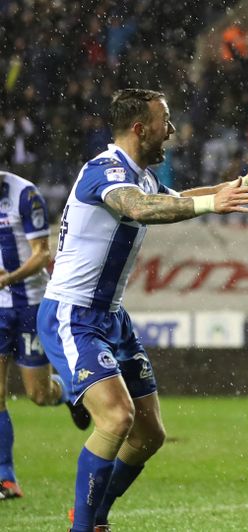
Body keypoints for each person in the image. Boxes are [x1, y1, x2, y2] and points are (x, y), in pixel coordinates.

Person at [36, 88, 248, 532]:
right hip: (72, 316)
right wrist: (213, 202)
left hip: (111, 317)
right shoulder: (104, 171)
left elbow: (177, 196)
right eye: (165, 121)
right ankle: (85, 526)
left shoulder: (141, 175)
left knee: (149, 434)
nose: (171, 130)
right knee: (117, 418)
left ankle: (94, 514)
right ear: (140, 128)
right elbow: (138, 208)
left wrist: (246, 182)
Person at [0, 170, 91, 501]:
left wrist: (8, 279)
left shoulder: (24, 195)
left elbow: (42, 255)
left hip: (29, 306)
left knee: (38, 394)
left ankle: (65, 391)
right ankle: (6, 477)